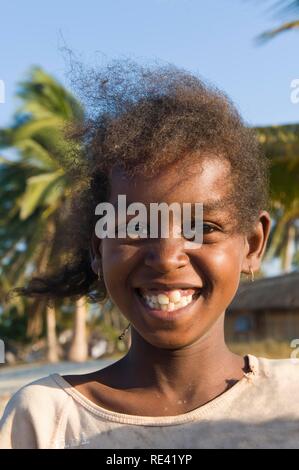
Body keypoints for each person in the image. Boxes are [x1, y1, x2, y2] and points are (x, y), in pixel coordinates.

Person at [1, 60, 298, 449]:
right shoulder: (46, 420)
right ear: (98, 248)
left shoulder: (289, 401)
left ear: (252, 245)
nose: (166, 256)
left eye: (202, 228)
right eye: (135, 227)